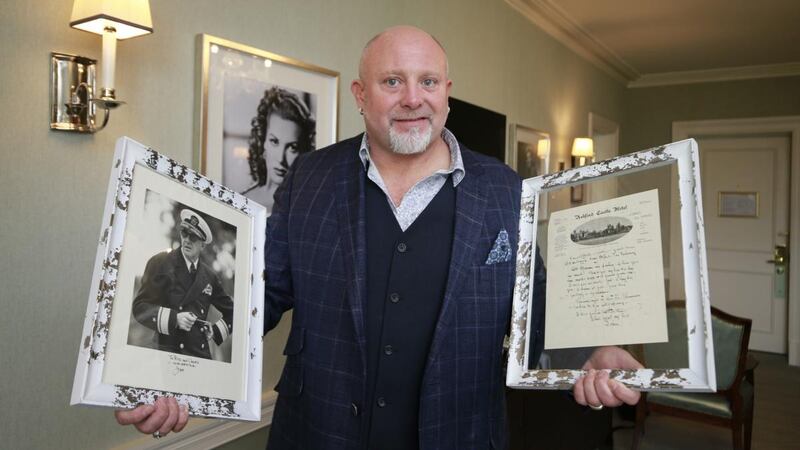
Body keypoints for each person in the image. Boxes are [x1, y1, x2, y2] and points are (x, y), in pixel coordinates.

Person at [116, 26, 641, 447]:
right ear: (361, 95)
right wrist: (178, 375)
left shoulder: (502, 188)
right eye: (393, 82)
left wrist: (590, 350)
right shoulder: (310, 176)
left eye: (428, 82)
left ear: (447, 94)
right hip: (318, 431)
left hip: (460, 433)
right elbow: (261, 294)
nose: (414, 99)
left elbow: (536, 303)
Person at [131, 209, 234, 361]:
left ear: (203, 245)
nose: (187, 240)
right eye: (184, 233)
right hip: (166, 353)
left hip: (200, 356)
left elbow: (233, 312)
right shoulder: (160, 262)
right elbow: (140, 307)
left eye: (193, 237)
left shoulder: (210, 276)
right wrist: (175, 319)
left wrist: (215, 331)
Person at [243, 86, 316, 212]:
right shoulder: (242, 199)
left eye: (292, 147)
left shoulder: (306, 209)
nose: (281, 159)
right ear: (263, 141)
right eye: (274, 141)